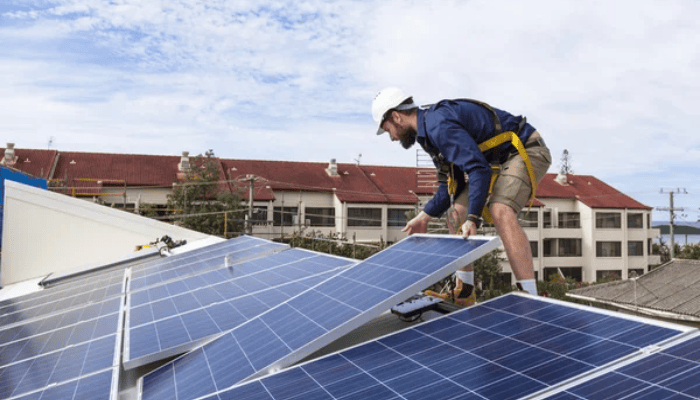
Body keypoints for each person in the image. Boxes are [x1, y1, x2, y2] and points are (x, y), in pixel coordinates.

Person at [372, 87, 551, 300]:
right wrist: (425, 215)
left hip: (526, 149)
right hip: (494, 161)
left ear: (396, 116)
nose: (391, 137)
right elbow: (451, 186)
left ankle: (530, 299)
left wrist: (473, 219)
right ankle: (465, 292)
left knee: (500, 209)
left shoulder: (438, 125)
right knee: (456, 213)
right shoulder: (427, 134)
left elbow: (478, 169)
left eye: (387, 129)